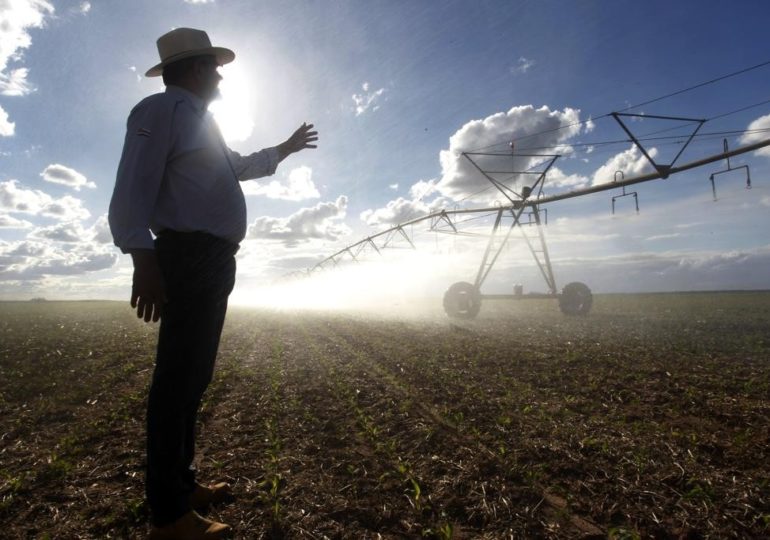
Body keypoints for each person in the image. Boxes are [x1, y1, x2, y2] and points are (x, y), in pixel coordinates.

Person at [108, 27, 317, 539]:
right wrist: (143, 255)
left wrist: (285, 150)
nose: (222, 74)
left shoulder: (203, 122)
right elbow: (132, 184)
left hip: (213, 259)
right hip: (188, 255)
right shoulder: (158, 112)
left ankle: (182, 486)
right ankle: (170, 516)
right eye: (215, 66)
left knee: (193, 379)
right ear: (197, 68)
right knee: (176, 382)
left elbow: (237, 167)